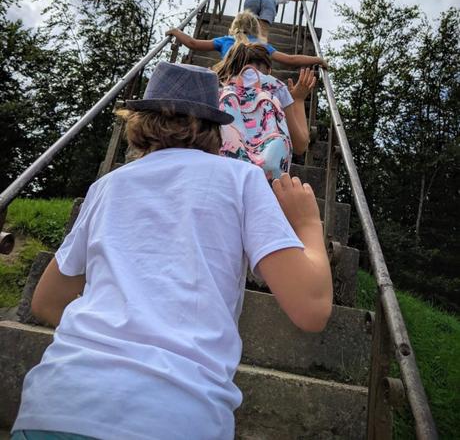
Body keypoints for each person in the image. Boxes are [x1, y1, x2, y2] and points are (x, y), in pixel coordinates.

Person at [11, 62, 333, 440]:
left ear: (137, 125)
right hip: (177, 414)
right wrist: (308, 224)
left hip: (56, 404)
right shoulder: (242, 180)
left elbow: (46, 302)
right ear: (216, 130)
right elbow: (311, 309)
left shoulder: (107, 186)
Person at [215, 43, 315, 180]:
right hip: (263, 179)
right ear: (269, 69)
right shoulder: (276, 86)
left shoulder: (218, 87)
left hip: (223, 171)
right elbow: (300, 145)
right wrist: (298, 100)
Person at [167, 10, 328, 70]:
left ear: (234, 26)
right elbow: (290, 59)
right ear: (256, 29)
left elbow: (193, 43)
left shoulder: (225, 40)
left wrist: (175, 31)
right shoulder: (261, 46)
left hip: (226, 83)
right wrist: (318, 59)